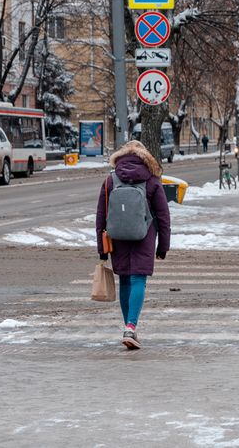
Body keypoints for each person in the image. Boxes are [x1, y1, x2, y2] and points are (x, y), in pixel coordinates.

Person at [96, 140, 171, 350]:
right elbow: (164, 216)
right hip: (143, 236)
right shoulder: (152, 180)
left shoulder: (110, 180)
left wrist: (102, 249)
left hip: (117, 237)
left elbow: (101, 215)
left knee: (125, 281)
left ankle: (128, 327)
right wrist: (163, 246)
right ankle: (130, 327)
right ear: (145, 157)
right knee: (138, 278)